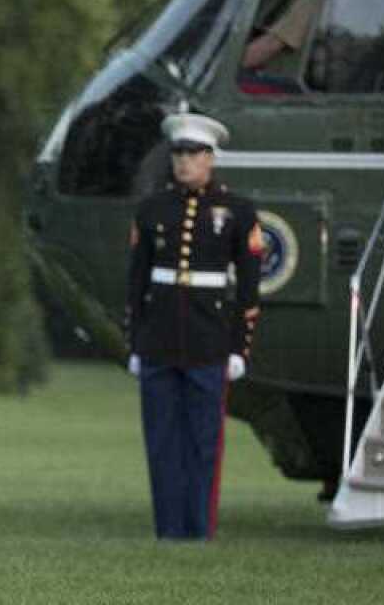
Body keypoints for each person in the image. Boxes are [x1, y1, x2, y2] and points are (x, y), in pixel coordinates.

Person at [124, 113, 263, 540]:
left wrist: (241, 348)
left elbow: (249, 288)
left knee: (204, 443)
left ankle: (199, 529)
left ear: (210, 158)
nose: (184, 162)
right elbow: (136, 281)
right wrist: (134, 341)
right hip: (159, 340)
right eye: (178, 154)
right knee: (162, 441)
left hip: (209, 339)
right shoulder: (151, 210)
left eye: (193, 154)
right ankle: (168, 529)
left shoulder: (237, 211)